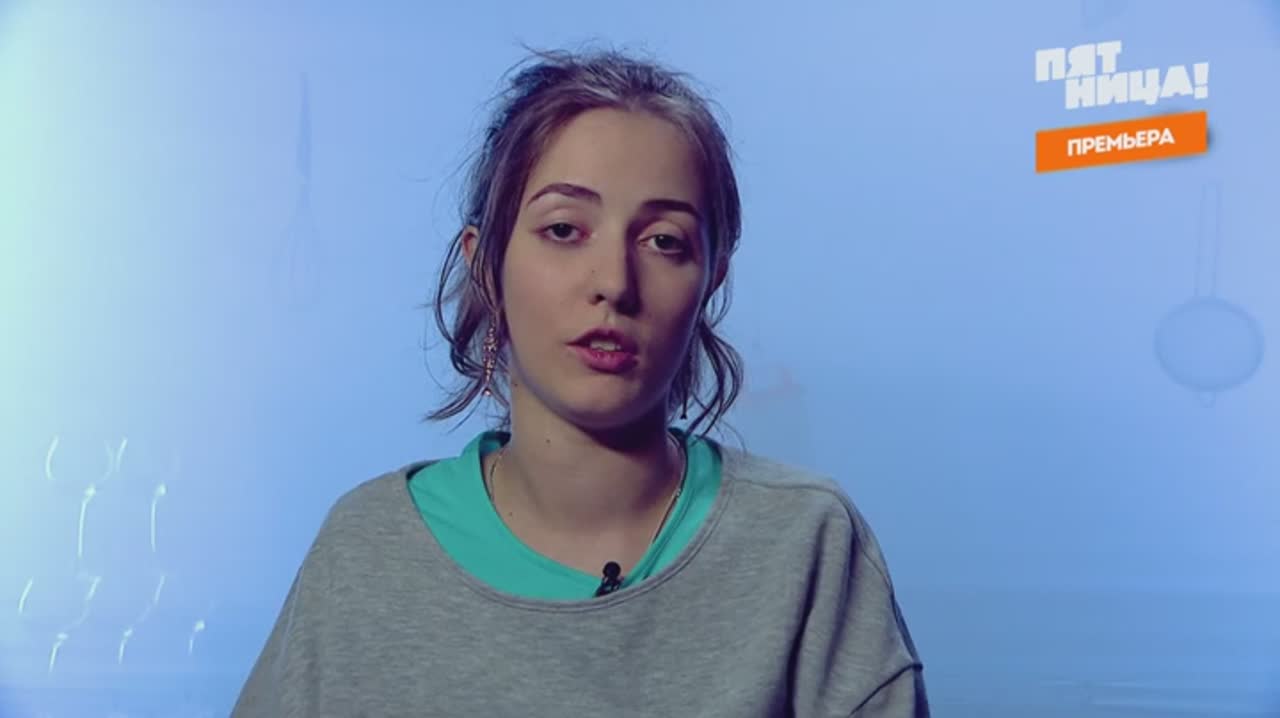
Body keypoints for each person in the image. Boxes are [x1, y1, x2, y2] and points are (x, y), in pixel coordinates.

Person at [233, 45, 929, 717]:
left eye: (664, 241)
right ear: (486, 265)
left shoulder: (805, 541)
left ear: (710, 280)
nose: (614, 283)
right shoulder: (367, 551)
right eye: (565, 230)